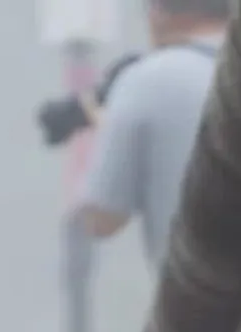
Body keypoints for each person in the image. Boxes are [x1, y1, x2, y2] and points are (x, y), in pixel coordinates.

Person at [77, 1, 231, 269]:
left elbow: (101, 219)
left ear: (158, 13)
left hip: (199, 301)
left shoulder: (147, 80)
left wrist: (105, 129)